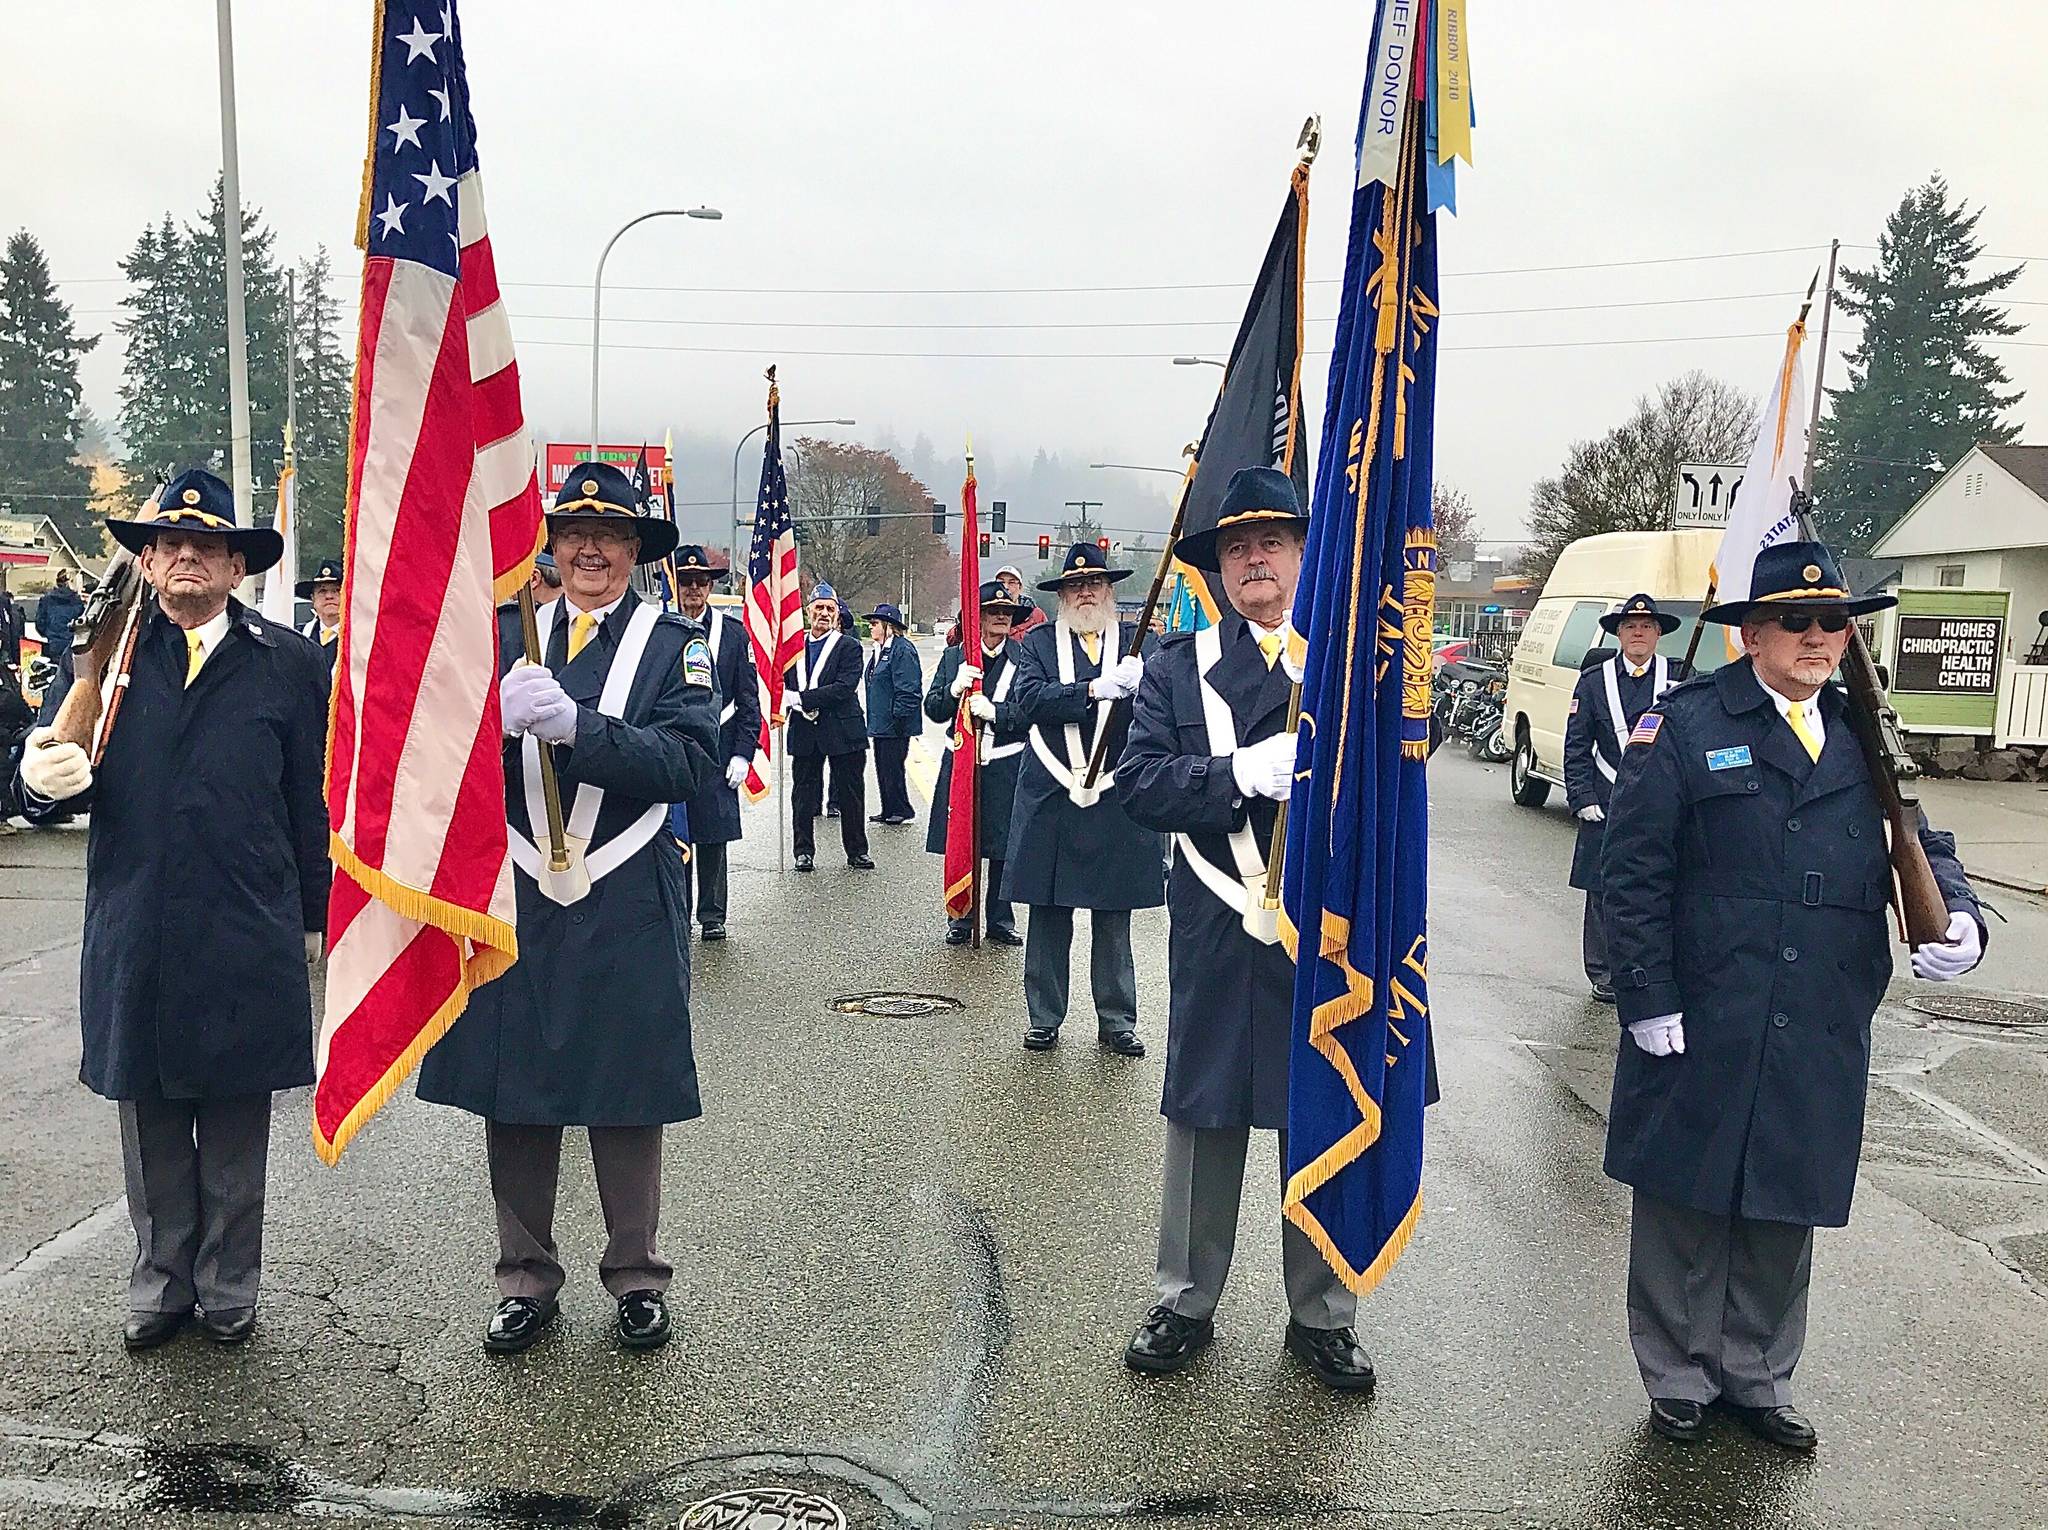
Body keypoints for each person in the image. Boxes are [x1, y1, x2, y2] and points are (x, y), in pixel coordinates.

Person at [1601, 539, 1988, 1451]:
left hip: (1820, 1007)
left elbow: (1916, 838)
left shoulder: (1863, 731)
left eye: (1833, 622)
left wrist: (1959, 914)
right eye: (1798, 622)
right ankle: (1679, 1373)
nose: (1819, 639)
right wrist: (1646, 994)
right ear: (1754, 636)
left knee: (1784, 1196)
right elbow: (1634, 872)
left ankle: (1757, 1374)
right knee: (1686, 1194)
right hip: (1711, 998)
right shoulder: (1688, 725)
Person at [14, 468, 328, 1351]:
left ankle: (230, 1284)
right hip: (138, 921)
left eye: (210, 546)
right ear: (147, 561)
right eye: (170, 545)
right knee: (150, 1118)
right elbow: (50, 760)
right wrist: (36, 780)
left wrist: (318, 916)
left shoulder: (288, 663)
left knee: (233, 1120)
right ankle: (160, 1282)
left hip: (244, 923)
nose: (188, 556)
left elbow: (311, 801)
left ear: (237, 566)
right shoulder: (102, 655)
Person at [416, 462, 720, 1356]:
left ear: (635, 549)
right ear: (549, 546)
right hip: (517, 894)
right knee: (518, 1089)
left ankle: (635, 1277)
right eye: (575, 533)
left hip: (625, 890)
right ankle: (524, 1279)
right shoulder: (505, 638)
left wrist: (578, 732)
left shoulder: (675, 645)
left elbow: (689, 764)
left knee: (627, 1091)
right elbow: (437, 765)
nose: (592, 549)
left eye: (612, 534)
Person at [1114, 465, 1376, 1390]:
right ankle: (1186, 1298)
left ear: (1305, 555)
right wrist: (1235, 775)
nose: (1253, 559)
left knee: (1323, 1113)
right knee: (1206, 1110)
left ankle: (1323, 1313)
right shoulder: (1178, 668)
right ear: (1216, 571)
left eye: (1270, 542)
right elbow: (1139, 784)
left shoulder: (1351, 667)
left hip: (1327, 935)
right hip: (1221, 921)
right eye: (1235, 548)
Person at [1006, 542, 1162, 1057]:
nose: (1085, 591)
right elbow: (1029, 702)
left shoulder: (1145, 647)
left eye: (1094, 583)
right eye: (1076, 585)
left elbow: (1165, 714)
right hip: (1052, 791)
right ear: (1062, 595)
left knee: (1113, 915)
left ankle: (1116, 1020)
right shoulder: (1038, 646)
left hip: (1118, 791)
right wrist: (1095, 689)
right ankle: (1045, 1017)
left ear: (1110, 590)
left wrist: (1142, 688)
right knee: (1048, 914)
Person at [1565, 593, 1681, 1001]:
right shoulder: (1594, 681)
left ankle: (1648, 969)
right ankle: (1603, 972)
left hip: (1660, 802)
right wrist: (1581, 797)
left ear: (1658, 634)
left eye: (1646, 627)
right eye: (1630, 627)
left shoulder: (1678, 679)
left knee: (1657, 888)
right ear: (1618, 633)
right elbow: (1576, 745)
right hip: (1606, 798)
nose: (1638, 633)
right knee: (1603, 890)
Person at [924, 581, 1029, 946]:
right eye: (993, 611)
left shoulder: (1024, 657)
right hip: (963, 763)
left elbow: (1032, 711)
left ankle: (1000, 919)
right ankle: (961, 917)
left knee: (1004, 846)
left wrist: (997, 712)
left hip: (1006, 764)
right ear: (978, 616)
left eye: (1007, 612)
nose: (1001, 616)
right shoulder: (957, 656)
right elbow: (933, 709)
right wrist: (954, 690)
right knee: (963, 840)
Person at [670, 545, 759, 941]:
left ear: (710, 586)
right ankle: (677, 912)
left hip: (719, 749)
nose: (693, 589)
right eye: (686, 581)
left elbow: (748, 699)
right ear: (675, 585)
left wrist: (743, 752)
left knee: (712, 836)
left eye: (700, 582)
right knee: (673, 836)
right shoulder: (658, 627)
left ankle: (712, 915)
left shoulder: (733, 634)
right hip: (671, 745)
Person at [785, 582, 872, 871]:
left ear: (837, 614)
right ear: (808, 612)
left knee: (851, 794)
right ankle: (803, 851)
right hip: (804, 731)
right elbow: (782, 683)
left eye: (829, 609)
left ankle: (857, 850)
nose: (824, 613)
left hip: (843, 731)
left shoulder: (849, 646)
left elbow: (844, 688)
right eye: (819, 608)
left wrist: (801, 698)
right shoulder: (793, 648)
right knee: (803, 794)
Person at [864, 602, 923, 826]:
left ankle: (900, 808)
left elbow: (908, 688)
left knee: (893, 767)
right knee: (883, 767)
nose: (871, 627)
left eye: (875, 623)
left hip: (895, 723)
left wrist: (900, 718)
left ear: (889, 626)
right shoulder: (880, 650)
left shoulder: (902, 650)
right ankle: (888, 807)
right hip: (881, 723)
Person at [31, 571, 84, 725]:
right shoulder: (77, 601)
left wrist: (49, 634)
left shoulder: (46, 600)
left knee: (53, 685)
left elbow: (39, 623)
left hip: (54, 646)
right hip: (73, 647)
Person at [295, 557, 344, 675]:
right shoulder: (299, 636)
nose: (329, 596)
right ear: (313, 598)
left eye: (336, 590)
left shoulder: (359, 640)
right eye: (322, 591)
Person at [994, 564, 1046, 637]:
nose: (1006, 587)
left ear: (1020, 587)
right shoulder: (987, 615)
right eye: (1001, 582)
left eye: (1011, 582)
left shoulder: (1036, 615)